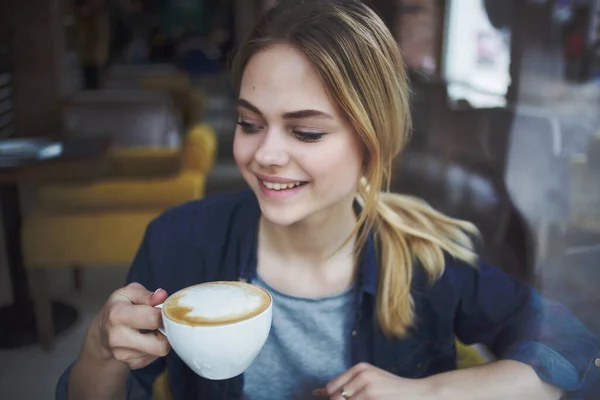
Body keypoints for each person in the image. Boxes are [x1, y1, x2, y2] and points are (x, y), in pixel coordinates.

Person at [58, 0, 600, 399]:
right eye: (249, 123)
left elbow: (570, 347)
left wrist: (427, 393)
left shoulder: (429, 257)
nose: (265, 154)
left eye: (307, 133)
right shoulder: (179, 241)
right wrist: (101, 352)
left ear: (372, 142)